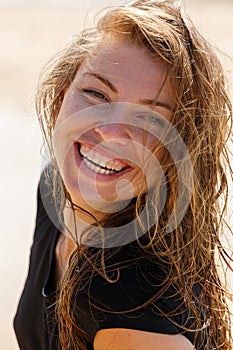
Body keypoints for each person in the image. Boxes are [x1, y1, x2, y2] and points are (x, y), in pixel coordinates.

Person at [13, 0, 233, 349]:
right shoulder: (54, 188)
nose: (112, 132)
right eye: (96, 94)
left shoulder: (130, 299)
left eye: (149, 119)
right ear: (60, 99)